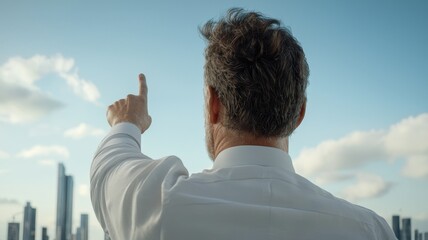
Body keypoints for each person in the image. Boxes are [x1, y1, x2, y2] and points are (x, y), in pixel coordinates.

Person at [90, 8, 397, 240]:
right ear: (299, 114)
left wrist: (128, 122)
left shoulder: (159, 208)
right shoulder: (369, 230)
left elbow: (109, 172)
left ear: (213, 104)